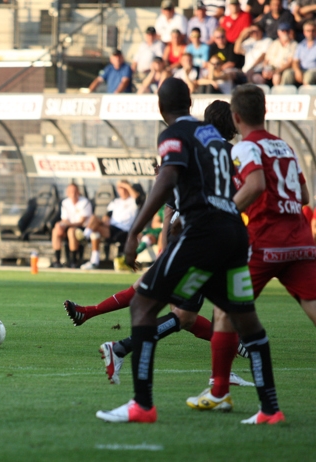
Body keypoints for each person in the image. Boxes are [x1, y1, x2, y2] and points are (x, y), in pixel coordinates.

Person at [95, 78, 283, 425]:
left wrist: (136, 230)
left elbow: (166, 178)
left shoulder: (173, 134)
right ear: (191, 101)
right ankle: (271, 409)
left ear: (160, 106)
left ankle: (142, 405)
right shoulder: (212, 135)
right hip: (232, 234)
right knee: (246, 320)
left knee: (143, 305)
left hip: (202, 234)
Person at [67, 101, 251, 389]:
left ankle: (222, 369)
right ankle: (123, 353)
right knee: (181, 311)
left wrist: (163, 235)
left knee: (178, 308)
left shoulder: (192, 147)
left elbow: (171, 204)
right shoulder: (227, 153)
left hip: (198, 240)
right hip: (210, 242)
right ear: (232, 122)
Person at [188, 84, 316, 420]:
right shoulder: (284, 145)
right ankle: (224, 393)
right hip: (300, 240)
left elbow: (256, 184)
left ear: (236, 116)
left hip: (265, 241)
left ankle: (219, 393)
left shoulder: (246, 148)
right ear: (265, 112)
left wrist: (224, 211)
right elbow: (303, 196)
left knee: (225, 312)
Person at [79, 180, 140, 270]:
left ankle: (85, 238)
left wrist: (126, 185)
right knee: (94, 222)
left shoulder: (133, 201)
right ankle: (94, 261)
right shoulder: (115, 202)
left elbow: (137, 197)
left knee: (94, 228)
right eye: (120, 188)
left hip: (123, 230)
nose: (122, 190)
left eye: (124, 188)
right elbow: (107, 215)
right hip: (111, 227)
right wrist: (105, 221)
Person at [50, 183, 92, 269]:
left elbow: (81, 221)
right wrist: (61, 225)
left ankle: (73, 261)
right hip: (69, 225)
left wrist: (67, 225)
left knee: (71, 231)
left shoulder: (85, 202)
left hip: (83, 229)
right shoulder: (65, 202)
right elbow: (65, 219)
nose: (73, 193)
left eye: (74, 191)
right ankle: (57, 260)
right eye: (70, 191)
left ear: (78, 192)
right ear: (67, 193)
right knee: (56, 230)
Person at [281, 20, 316, 85]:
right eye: (308, 31)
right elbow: (295, 61)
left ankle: (308, 94)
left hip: (313, 70)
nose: (310, 33)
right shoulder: (301, 45)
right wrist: (297, 71)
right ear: (304, 32)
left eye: (313, 30)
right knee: (287, 74)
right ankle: (284, 94)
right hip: (302, 70)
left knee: (309, 76)